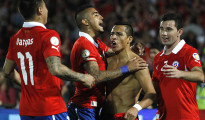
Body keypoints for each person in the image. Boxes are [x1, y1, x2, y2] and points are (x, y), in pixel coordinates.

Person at [2, 0, 95, 120]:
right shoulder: (48, 35)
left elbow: (6, 71)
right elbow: (55, 68)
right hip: (49, 109)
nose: (47, 9)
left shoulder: (15, 39)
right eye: (45, 6)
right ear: (40, 10)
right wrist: (83, 77)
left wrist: (28, 85)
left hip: (25, 110)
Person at [67, 5, 148, 120]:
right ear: (85, 22)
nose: (101, 17)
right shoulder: (84, 44)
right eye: (96, 15)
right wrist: (126, 68)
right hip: (84, 107)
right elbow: (96, 76)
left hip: (95, 108)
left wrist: (131, 48)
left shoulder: (97, 43)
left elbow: (114, 52)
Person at [152, 13, 205, 120]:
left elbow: (200, 76)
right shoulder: (158, 58)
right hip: (164, 116)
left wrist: (180, 73)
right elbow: (154, 90)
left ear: (179, 32)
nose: (163, 33)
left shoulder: (188, 52)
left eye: (169, 29)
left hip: (186, 116)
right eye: (161, 29)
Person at [100, 23, 156, 120]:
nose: (113, 37)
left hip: (125, 116)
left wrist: (136, 108)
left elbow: (151, 93)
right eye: (112, 34)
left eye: (119, 34)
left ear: (129, 39)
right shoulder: (107, 59)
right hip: (104, 115)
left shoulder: (138, 63)